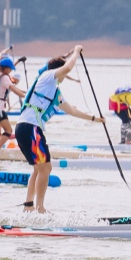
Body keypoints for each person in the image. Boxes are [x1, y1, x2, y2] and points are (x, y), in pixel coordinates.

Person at [15, 46, 104, 213]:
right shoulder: (47, 77)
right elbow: (68, 67)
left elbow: (72, 111)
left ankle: (28, 207)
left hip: (26, 128)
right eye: (62, 72)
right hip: (30, 128)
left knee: (39, 168)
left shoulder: (55, 92)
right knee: (45, 168)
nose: (66, 75)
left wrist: (95, 119)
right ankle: (40, 208)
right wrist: (76, 51)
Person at [0, 58, 26, 149]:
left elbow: (11, 88)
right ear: (6, 69)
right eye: (10, 69)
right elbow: (13, 89)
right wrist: (25, 96)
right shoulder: (4, 77)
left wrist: (25, 92)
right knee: (8, 130)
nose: (10, 71)